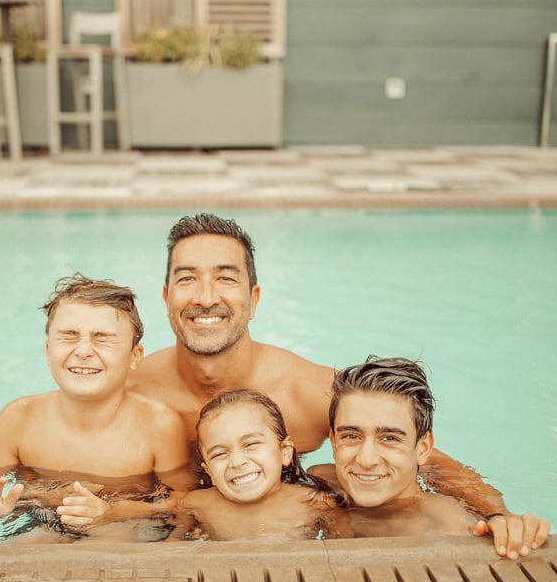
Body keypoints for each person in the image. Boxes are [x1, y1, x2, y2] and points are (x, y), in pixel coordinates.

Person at [126, 212, 551, 552]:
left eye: (226, 277)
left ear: (253, 299)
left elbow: (422, 457)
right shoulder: (132, 394)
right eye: (187, 279)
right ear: (166, 299)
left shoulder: (309, 392)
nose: (205, 297)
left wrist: (497, 516)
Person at [0, 273, 194, 539]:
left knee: (115, 546)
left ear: (134, 357)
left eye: (102, 338)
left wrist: (115, 512)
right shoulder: (19, 419)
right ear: (47, 350)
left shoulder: (157, 425)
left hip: (123, 526)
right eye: (69, 336)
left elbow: (184, 500)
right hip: (42, 520)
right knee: (24, 551)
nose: (83, 350)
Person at [307, 356, 551, 558]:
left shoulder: (449, 526)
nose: (366, 460)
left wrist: (509, 528)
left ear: (423, 448)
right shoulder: (321, 479)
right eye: (351, 435)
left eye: (390, 438)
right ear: (334, 440)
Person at [167, 389, 353, 542]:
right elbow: (169, 546)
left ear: (285, 452)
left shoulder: (315, 504)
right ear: (210, 472)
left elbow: (346, 550)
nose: (237, 462)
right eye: (220, 454)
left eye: (251, 445)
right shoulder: (196, 504)